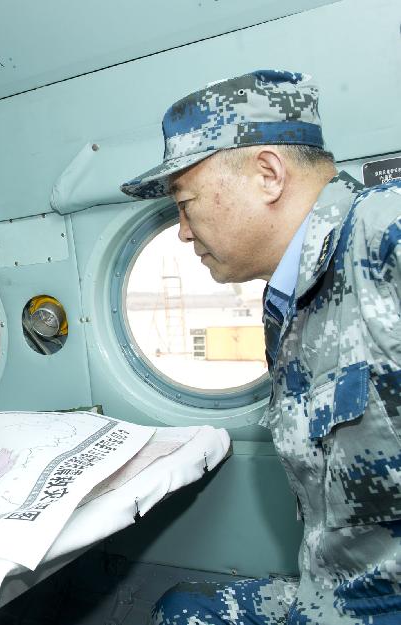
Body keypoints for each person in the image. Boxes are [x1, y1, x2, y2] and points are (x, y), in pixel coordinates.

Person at [120, 69, 400, 624]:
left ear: (268, 174)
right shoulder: (292, 301)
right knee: (180, 610)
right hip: (337, 590)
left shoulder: (384, 232)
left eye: (185, 201)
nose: (181, 229)